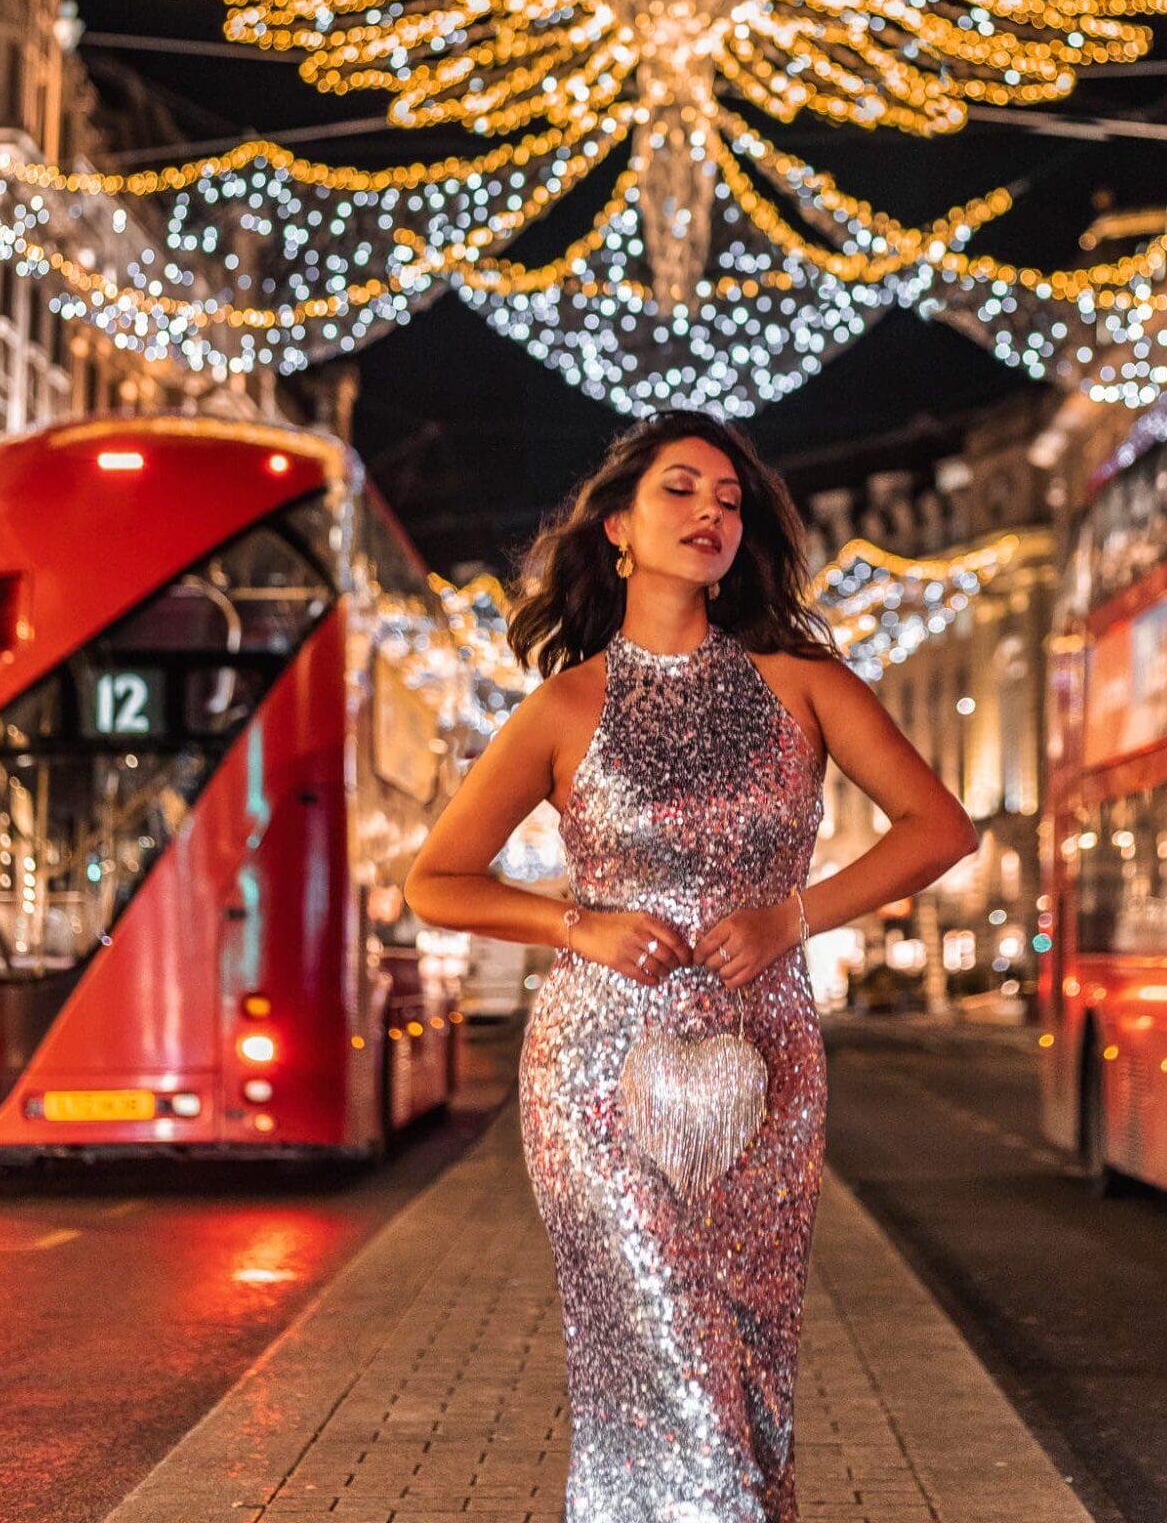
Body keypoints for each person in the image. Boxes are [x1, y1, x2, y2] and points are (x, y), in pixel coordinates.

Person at [405, 409, 978, 1522]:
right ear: (615, 526)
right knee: (658, 1331)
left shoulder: (801, 683)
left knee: (745, 1354)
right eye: (681, 489)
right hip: (594, 1076)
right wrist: (579, 926)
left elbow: (936, 827)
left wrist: (790, 916)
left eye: (729, 499)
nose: (712, 512)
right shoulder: (562, 705)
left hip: (765, 1064)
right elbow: (438, 879)